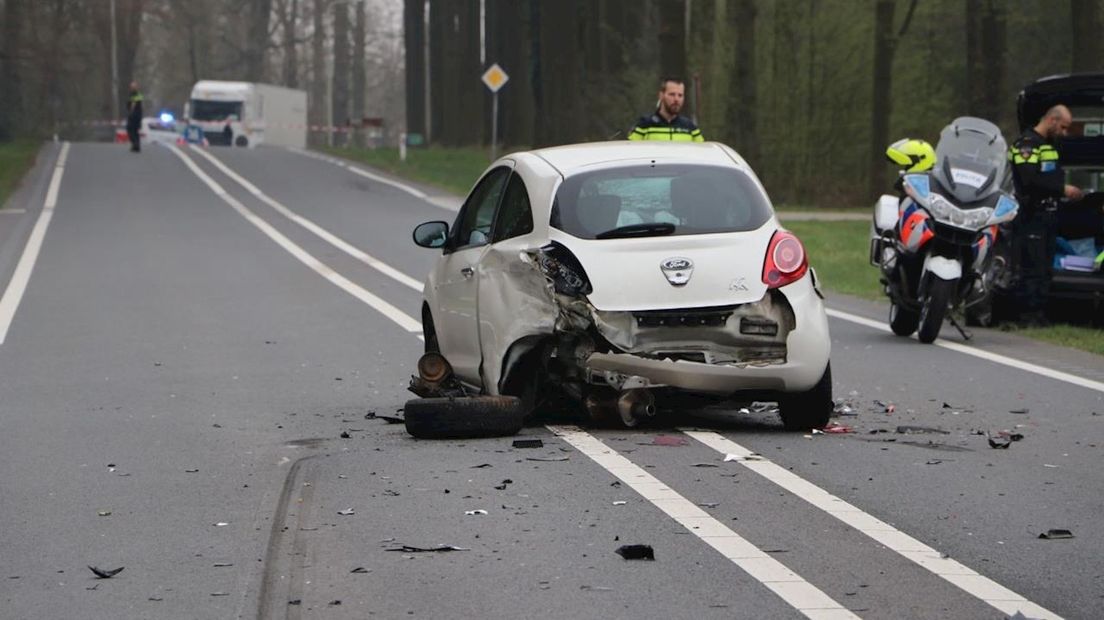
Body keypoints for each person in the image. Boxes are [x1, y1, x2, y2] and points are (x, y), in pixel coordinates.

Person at [1008, 104, 1084, 326]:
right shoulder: (1027, 145)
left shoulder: (1048, 145)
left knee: (1045, 268)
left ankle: (1039, 314)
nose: (1064, 132)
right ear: (1052, 120)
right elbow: (1029, 180)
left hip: (1049, 215)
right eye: (1063, 127)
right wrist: (1062, 190)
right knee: (1032, 267)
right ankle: (1025, 316)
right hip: (1032, 214)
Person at [628, 77, 704, 142]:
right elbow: (630, 151)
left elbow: (703, 153)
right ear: (661, 95)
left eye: (680, 95)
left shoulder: (690, 127)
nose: (676, 99)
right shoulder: (645, 125)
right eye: (672, 94)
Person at [126, 81, 143, 153]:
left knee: (130, 129)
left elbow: (134, 103)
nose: (132, 88)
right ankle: (136, 145)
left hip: (134, 115)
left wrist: (131, 112)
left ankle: (135, 144)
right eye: (131, 86)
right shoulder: (135, 94)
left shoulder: (136, 94)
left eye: (133, 87)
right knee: (135, 130)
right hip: (137, 114)